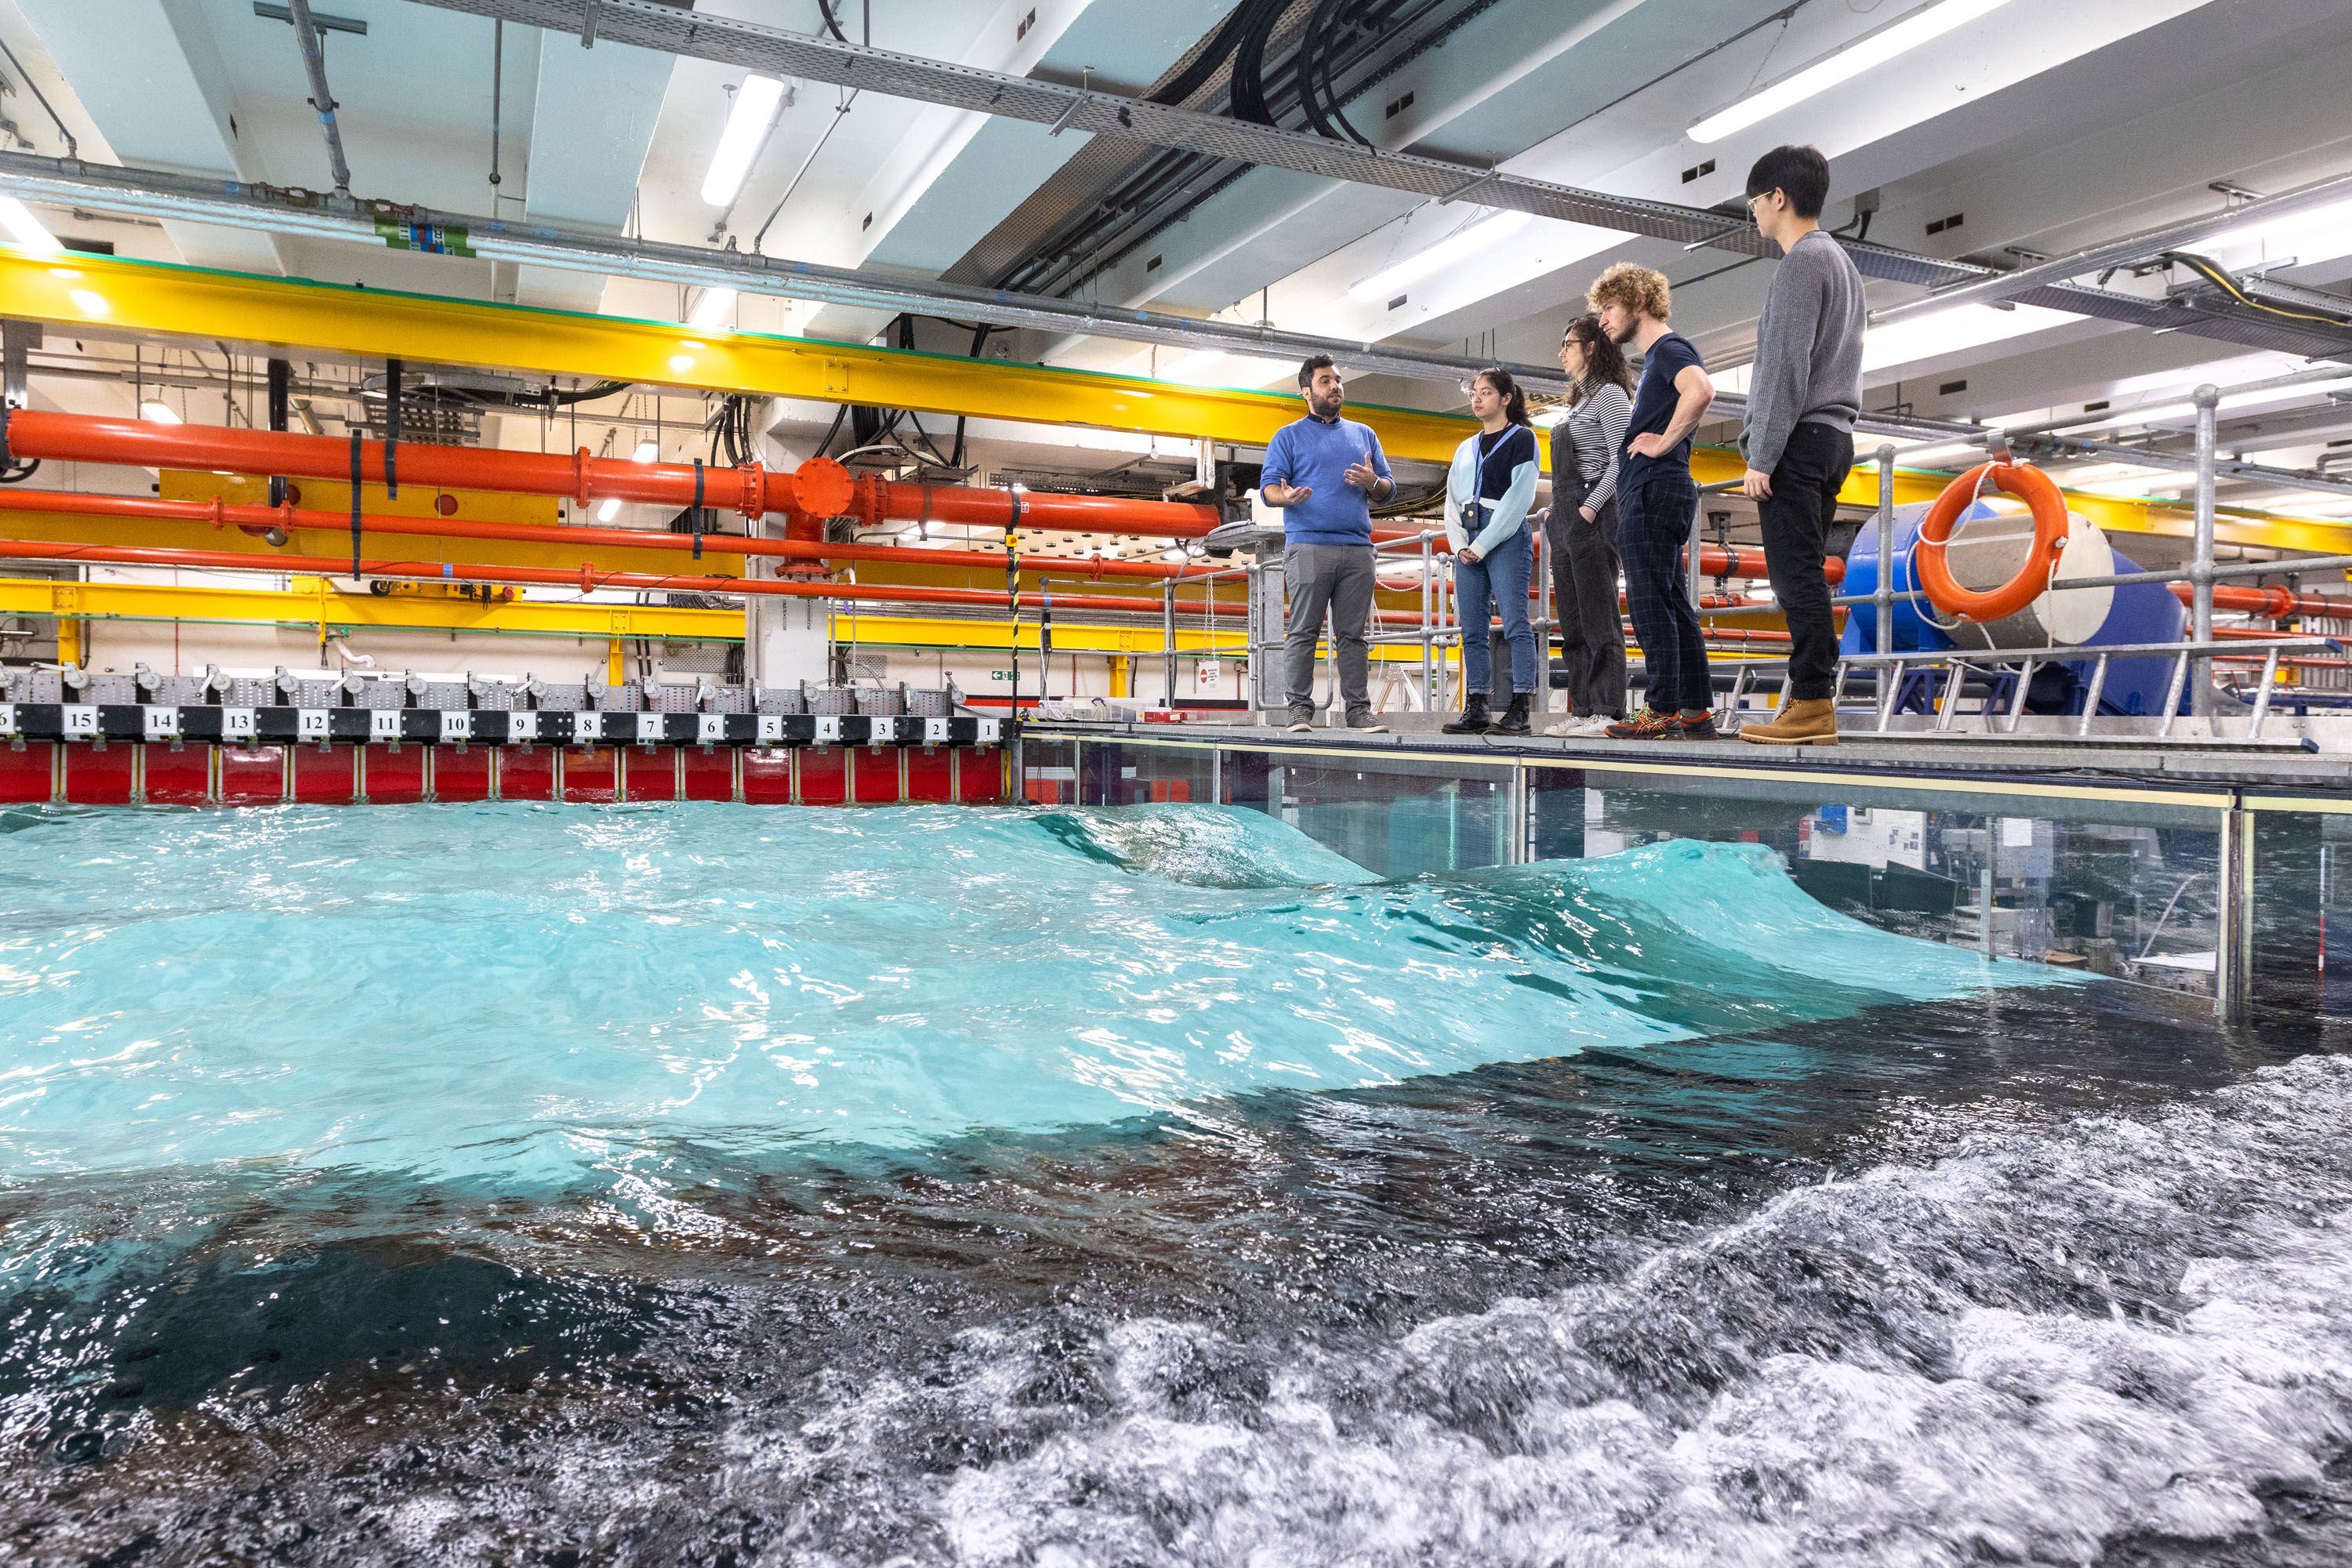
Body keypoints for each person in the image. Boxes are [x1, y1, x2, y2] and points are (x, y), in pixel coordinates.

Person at [1733, 144, 1866, 747]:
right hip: (1833, 436)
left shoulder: (1801, 264)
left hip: (1801, 439)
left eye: (1754, 202)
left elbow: (1786, 366)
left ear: (1777, 198)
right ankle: (1812, 700)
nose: (1754, 214)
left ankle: (1812, 703)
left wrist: (1761, 455)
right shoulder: (1841, 262)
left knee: (1795, 579)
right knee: (1805, 573)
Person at [1589, 262, 1718, 740]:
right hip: (1658, 488)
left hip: (1654, 487)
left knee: (1648, 601)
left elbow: (1702, 390)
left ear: (1637, 301)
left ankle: (1661, 708)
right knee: (1668, 601)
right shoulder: (1658, 360)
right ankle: (1694, 708)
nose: (1602, 320)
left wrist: (1662, 442)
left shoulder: (1668, 350)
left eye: (1608, 308)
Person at [1260, 354, 1395, 733]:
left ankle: (1358, 711)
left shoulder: (1364, 434)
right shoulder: (1287, 436)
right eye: (1325, 381)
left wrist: (1373, 482)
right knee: (1304, 630)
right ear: (1306, 392)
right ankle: (1300, 711)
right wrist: (1284, 498)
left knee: (1353, 635)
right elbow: (1270, 487)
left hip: (1357, 549)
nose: (1335, 386)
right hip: (1308, 546)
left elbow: (1388, 488)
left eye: (1337, 380)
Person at [1539, 314, 1633, 738]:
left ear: (1592, 347)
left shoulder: (1611, 397)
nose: (1561, 351)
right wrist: (1556, 514)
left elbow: (1621, 460)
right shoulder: (1577, 402)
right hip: (1564, 517)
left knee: (1599, 616)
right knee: (1573, 621)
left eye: (1568, 343)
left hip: (1591, 514)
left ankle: (1609, 709)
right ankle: (1584, 707)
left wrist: (1590, 509)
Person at [1441, 368, 1542, 736]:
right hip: (1467, 537)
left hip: (1504, 534)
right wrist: (1461, 546)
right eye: (1474, 393)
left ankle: (1520, 707)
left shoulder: (1523, 439)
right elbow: (1451, 500)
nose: (1477, 398)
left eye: (1486, 392)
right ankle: (1478, 705)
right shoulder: (1465, 448)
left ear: (1506, 398)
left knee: (1515, 623)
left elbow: (1520, 498)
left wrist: (1483, 545)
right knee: (1472, 629)